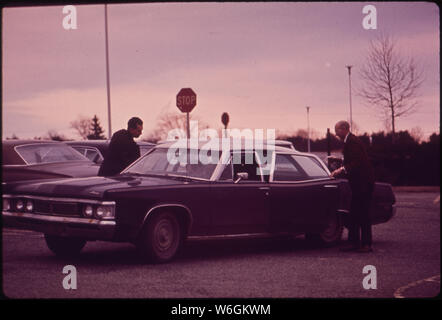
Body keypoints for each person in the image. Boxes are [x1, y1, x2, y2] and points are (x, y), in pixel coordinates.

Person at [331, 120, 375, 253]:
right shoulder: (350, 141)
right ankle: (355, 243)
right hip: (359, 183)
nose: (335, 133)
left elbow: (356, 162)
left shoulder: (352, 142)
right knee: (355, 213)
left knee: (362, 213)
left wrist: (341, 170)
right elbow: (353, 160)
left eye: (337, 130)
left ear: (344, 129)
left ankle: (366, 244)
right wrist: (340, 162)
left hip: (363, 183)